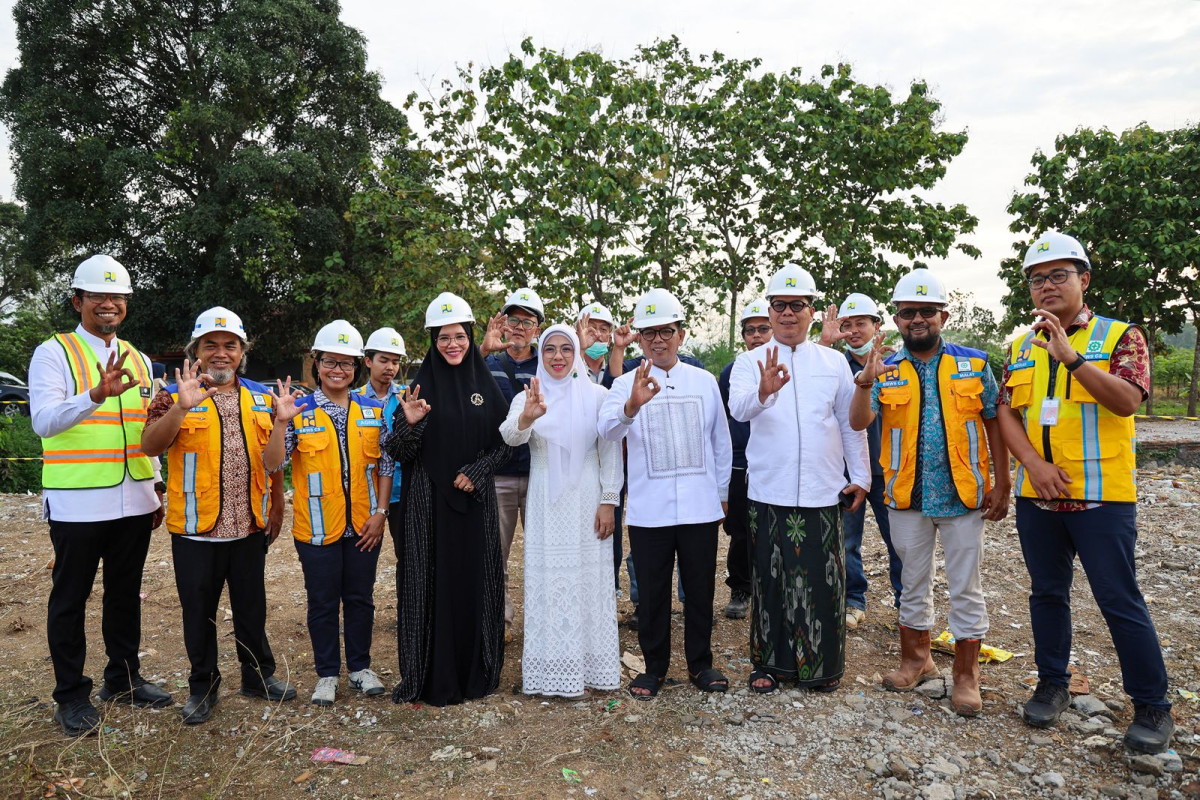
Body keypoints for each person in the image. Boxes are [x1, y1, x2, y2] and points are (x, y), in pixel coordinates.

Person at [1000, 231, 1173, 752]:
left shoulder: (1122, 337)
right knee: (1047, 594)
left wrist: (1073, 358)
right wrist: (1031, 463)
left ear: (1084, 280)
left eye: (1059, 275)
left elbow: (1127, 402)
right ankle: (1052, 682)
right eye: (1037, 278)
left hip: (1102, 497)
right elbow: (1007, 410)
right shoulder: (1019, 344)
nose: (1047, 285)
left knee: (1119, 600)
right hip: (1039, 496)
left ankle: (1153, 707)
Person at [849, 268, 1009, 717]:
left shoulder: (974, 363)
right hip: (906, 495)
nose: (917, 320)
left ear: (942, 314)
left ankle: (965, 675)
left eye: (926, 312)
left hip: (964, 495)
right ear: (896, 321)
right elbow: (859, 422)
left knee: (966, 587)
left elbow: (995, 420)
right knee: (913, 583)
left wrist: (1004, 481)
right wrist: (864, 381)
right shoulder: (887, 369)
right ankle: (915, 660)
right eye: (907, 313)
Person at [29, 254, 173, 736]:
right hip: (77, 502)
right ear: (78, 301)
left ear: (127, 304)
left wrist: (155, 483)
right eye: (98, 296)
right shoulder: (54, 352)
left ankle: (124, 678)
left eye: (118, 297)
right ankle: (70, 695)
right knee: (70, 598)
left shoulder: (137, 357)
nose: (109, 304)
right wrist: (93, 395)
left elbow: (145, 428)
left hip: (133, 498)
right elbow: (43, 421)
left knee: (124, 595)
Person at [140, 306, 295, 724]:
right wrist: (180, 410)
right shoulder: (172, 395)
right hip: (195, 532)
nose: (222, 353)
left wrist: (277, 502)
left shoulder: (264, 398)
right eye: (212, 345)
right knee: (198, 613)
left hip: (247, 527)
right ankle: (203, 687)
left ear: (242, 351)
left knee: (252, 609)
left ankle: (257, 677)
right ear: (198, 350)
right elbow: (150, 446)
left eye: (231, 345)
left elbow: (274, 461)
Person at [728, 265, 869, 694]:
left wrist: (860, 475)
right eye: (779, 306)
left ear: (812, 311)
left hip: (821, 489)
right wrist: (764, 392)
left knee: (822, 582)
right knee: (771, 581)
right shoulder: (749, 362)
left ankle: (821, 668)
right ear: (769, 312)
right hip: (768, 490)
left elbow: (851, 424)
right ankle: (770, 664)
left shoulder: (833, 362)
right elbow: (738, 410)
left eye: (797, 305)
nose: (787, 313)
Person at [598, 288, 732, 699]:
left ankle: (700, 664)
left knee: (699, 590)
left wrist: (722, 494)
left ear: (682, 333)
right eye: (649, 333)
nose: (658, 339)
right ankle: (653, 668)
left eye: (666, 331)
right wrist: (631, 407)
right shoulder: (624, 384)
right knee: (653, 593)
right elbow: (605, 431)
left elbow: (720, 443)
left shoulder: (705, 381)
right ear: (638, 339)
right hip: (649, 511)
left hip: (699, 508)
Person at [386, 292, 512, 706]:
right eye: (443, 338)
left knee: (475, 581)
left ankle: (476, 672)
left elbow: (505, 443)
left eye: (459, 336)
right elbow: (398, 452)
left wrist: (477, 472)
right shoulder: (419, 386)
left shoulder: (487, 384)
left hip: (476, 504)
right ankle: (428, 676)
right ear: (432, 342)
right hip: (428, 504)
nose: (452, 345)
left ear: (470, 336)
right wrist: (410, 425)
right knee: (428, 584)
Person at [265, 320, 393, 706]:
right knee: (322, 602)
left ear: (357, 367)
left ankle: (359, 667)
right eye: (330, 362)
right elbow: (272, 463)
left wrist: (382, 512)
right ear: (316, 364)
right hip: (316, 528)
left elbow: (384, 465)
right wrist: (281, 421)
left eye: (347, 364)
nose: (338, 371)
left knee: (360, 598)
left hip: (364, 525)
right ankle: (326, 674)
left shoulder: (373, 410)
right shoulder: (298, 412)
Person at [500, 325, 623, 696]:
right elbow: (509, 435)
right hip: (546, 500)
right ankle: (550, 670)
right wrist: (528, 417)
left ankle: (591, 668)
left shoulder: (598, 395)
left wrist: (609, 500)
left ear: (576, 353)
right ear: (542, 354)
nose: (557, 356)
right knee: (550, 578)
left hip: (588, 497)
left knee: (589, 578)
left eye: (565, 349)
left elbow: (609, 450)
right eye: (550, 349)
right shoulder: (530, 395)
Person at [818, 294, 904, 628]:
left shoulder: (898, 363)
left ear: (876, 326)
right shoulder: (831, 364)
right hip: (846, 470)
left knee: (898, 539)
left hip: (890, 468)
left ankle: (905, 603)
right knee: (847, 541)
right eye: (847, 325)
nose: (853, 331)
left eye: (861, 324)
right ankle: (854, 600)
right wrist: (825, 343)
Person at [480, 287, 544, 640]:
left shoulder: (549, 365)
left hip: (539, 473)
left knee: (540, 552)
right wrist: (482, 349)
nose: (519, 327)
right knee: (495, 553)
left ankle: (539, 619)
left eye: (528, 321)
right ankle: (499, 621)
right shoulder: (486, 364)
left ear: (537, 328)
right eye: (513, 319)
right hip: (499, 474)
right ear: (503, 324)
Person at [716, 299, 771, 620]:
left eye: (763, 328)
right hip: (739, 463)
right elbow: (722, 423)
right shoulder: (731, 371)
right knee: (740, 531)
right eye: (750, 331)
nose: (756, 336)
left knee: (773, 529)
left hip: (775, 463)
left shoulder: (788, 365)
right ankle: (740, 588)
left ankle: (771, 588)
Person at [357, 327, 408, 551]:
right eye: (384, 360)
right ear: (368, 361)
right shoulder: (354, 398)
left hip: (401, 490)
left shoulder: (408, 397)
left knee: (406, 557)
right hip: (364, 492)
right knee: (362, 553)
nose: (390, 367)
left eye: (395, 362)